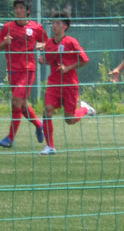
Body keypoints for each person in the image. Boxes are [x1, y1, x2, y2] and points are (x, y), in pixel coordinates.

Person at [37, 11, 96, 155]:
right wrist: (43, 61)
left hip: (69, 85)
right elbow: (50, 60)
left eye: (57, 23)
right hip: (53, 83)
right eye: (53, 23)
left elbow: (84, 60)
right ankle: (50, 146)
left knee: (69, 120)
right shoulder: (49, 43)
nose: (54, 26)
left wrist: (68, 68)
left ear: (65, 26)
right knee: (47, 110)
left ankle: (84, 108)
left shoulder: (71, 42)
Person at [0, 0, 47, 148]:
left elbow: (47, 42)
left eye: (21, 8)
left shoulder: (36, 28)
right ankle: (39, 125)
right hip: (12, 71)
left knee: (15, 102)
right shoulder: (7, 27)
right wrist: (5, 43)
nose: (18, 10)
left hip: (27, 70)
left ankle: (10, 138)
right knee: (22, 105)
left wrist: (41, 46)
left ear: (28, 11)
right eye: (16, 8)